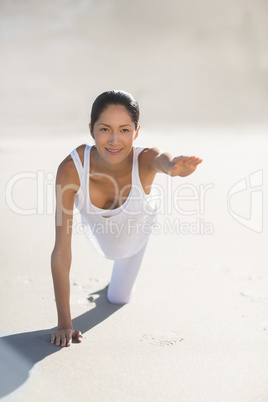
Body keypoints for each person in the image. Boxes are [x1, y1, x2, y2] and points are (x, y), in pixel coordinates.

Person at [50, 90, 202, 347]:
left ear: (136, 132)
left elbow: (161, 160)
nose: (114, 140)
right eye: (105, 129)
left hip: (137, 231)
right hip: (100, 231)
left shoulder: (143, 160)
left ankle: (118, 277)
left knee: (118, 297)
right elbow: (61, 251)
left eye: (124, 130)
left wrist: (174, 167)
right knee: (111, 273)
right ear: (91, 130)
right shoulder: (71, 169)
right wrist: (65, 323)